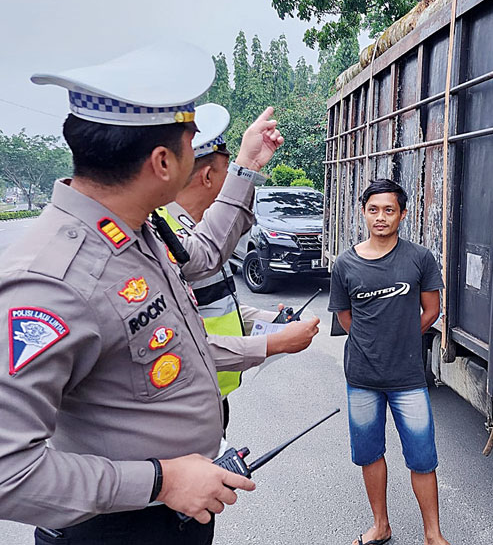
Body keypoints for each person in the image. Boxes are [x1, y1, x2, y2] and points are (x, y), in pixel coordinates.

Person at [0, 41, 320, 545]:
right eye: (192, 142)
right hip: (115, 530)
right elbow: (7, 471)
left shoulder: (139, 231)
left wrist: (247, 166)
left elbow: (206, 252)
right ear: (163, 162)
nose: (199, 158)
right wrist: (161, 480)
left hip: (173, 516)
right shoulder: (53, 281)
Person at [328, 178, 450, 545]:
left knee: (422, 457)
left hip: (408, 377)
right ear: (363, 212)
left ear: (403, 214)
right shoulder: (345, 263)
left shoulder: (419, 258)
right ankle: (380, 525)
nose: (380, 217)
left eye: (389, 210)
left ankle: (433, 534)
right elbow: (346, 318)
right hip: (362, 376)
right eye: (373, 210)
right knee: (369, 453)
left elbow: (432, 310)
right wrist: (373, 341)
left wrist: (401, 337)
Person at [155, 102, 281, 432]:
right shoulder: (167, 236)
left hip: (209, 394)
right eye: (230, 171)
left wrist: (269, 321)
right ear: (209, 175)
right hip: (182, 403)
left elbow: (210, 305)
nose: (235, 184)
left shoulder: (193, 227)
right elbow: (184, 343)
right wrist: (272, 343)